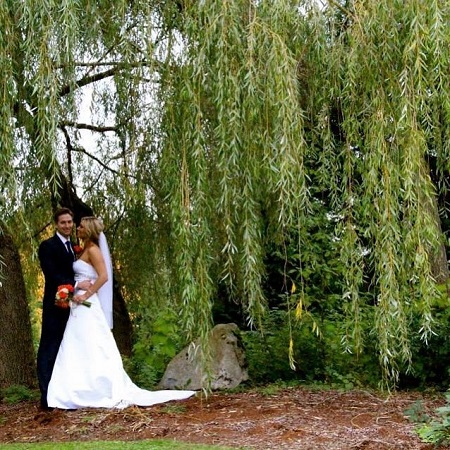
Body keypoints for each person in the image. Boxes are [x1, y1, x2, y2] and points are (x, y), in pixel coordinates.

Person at [47, 216, 196, 409]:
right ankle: (78, 388)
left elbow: (104, 276)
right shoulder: (83, 248)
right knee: (79, 344)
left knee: (92, 344)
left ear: (89, 230)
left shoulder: (93, 250)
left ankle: (96, 389)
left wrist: (86, 295)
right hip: (78, 305)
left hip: (86, 303)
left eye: (81, 227)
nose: (77, 229)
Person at [37, 208, 91, 411]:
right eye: (63, 223)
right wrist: (77, 286)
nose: (67, 225)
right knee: (49, 349)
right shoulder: (48, 246)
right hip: (55, 306)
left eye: (70, 222)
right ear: (56, 224)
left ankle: (64, 393)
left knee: (66, 349)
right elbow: (53, 275)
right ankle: (46, 396)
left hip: (73, 308)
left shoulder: (75, 248)